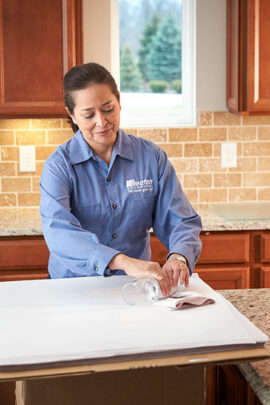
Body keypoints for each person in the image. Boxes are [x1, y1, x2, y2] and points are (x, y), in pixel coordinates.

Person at [40, 62, 202, 296]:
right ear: (71, 114)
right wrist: (122, 261)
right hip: (73, 290)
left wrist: (179, 257)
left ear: (119, 101)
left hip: (137, 289)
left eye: (108, 109)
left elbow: (181, 220)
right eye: (88, 115)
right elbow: (59, 233)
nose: (101, 122)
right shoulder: (59, 166)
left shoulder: (151, 158)